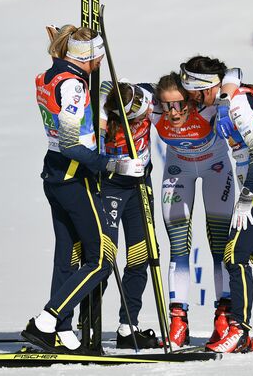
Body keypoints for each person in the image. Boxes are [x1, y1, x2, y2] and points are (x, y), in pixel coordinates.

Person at [22, 25, 145, 354]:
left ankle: (60, 331)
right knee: (101, 260)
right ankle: (46, 321)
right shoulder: (74, 86)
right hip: (75, 179)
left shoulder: (47, 76)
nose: (102, 59)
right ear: (88, 57)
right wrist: (112, 164)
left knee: (66, 258)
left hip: (55, 176)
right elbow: (69, 144)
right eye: (99, 54)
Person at [181, 56, 253, 353]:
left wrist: (246, 197)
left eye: (193, 93)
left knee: (235, 255)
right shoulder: (225, 95)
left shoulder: (236, 105)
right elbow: (232, 72)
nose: (191, 100)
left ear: (206, 87)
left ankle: (239, 329)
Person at [151, 67, 242, 348]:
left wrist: (225, 95)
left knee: (220, 247)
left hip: (216, 168)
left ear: (191, 100)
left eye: (179, 104)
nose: (173, 112)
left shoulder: (208, 106)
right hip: (178, 170)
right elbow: (114, 90)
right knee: (178, 248)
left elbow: (234, 74)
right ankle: (178, 320)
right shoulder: (154, 109)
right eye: (167, 105)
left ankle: (223, 316)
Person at [99, 80, 159, 349]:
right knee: (102, 257)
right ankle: (84, 323)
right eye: (139, 113)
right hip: (110, 186)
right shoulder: (104, 121)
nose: (147, 112)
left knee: (141, 254)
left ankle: (128, 327)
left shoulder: (144, 93)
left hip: (139, 186)